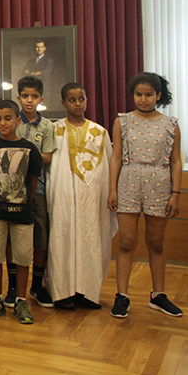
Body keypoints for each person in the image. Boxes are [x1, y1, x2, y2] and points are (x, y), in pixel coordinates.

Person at [108, 72, 184, 318]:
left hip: (160, 184)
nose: (143, 99)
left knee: (156, 243)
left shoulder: (171, 124)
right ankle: (122, 296)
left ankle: (158, 295)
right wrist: (112, 189)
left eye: (149, 94)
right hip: (128, 181)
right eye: (138, 94)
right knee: (127, 242)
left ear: (158, 95)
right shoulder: (123, 121)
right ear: (133, 96)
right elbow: (116, 156)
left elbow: (176, 162)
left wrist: (176, 193)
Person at [46, 83, 117, 310]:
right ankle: (62, 291)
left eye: (81, 99)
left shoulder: (99, 132)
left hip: (91, 197)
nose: (77, 104)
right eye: (72, 100)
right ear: (63, 102)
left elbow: (107, 164)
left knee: (90, 238)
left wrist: (109, 192)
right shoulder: (54, 130)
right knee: (62, 238)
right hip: (63, 196)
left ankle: (87, 291)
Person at [0, 100, 43, 325]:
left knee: (23, 257)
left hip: (23, 213)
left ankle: (21, 300)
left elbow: (33, 180)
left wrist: (24, 199)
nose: (2, 123)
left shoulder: (30, 148)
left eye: (7, 118)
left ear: (17, 121)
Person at [14, 76, 57, 309]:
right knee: (14, 237)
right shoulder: (12, 122)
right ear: (18, 98)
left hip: (38, 189)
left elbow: (48, 156)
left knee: (40, 237)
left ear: (41, 99)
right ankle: (13, 286)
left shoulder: (48, 126)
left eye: (34, 97)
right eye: (25, 96)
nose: (29, 101)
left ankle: (37, 284)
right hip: (11, 189)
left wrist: (25, 157)